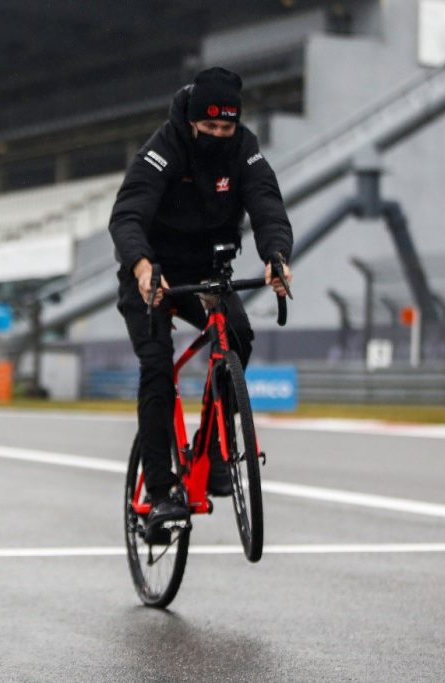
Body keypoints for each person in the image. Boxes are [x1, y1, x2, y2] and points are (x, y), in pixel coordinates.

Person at [108, 67, 293, 530]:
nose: (217, 135)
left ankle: (214, 452)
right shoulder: (163, 147)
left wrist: (275, 254)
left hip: (206, 270)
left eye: (225, 128)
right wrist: (143, 267)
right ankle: (159, 487)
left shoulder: (244, 148)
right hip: (150, 271)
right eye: (208, 127)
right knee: (156, 365)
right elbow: (127, 215)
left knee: (239, 334)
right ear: (191, 120)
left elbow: (267, 204)